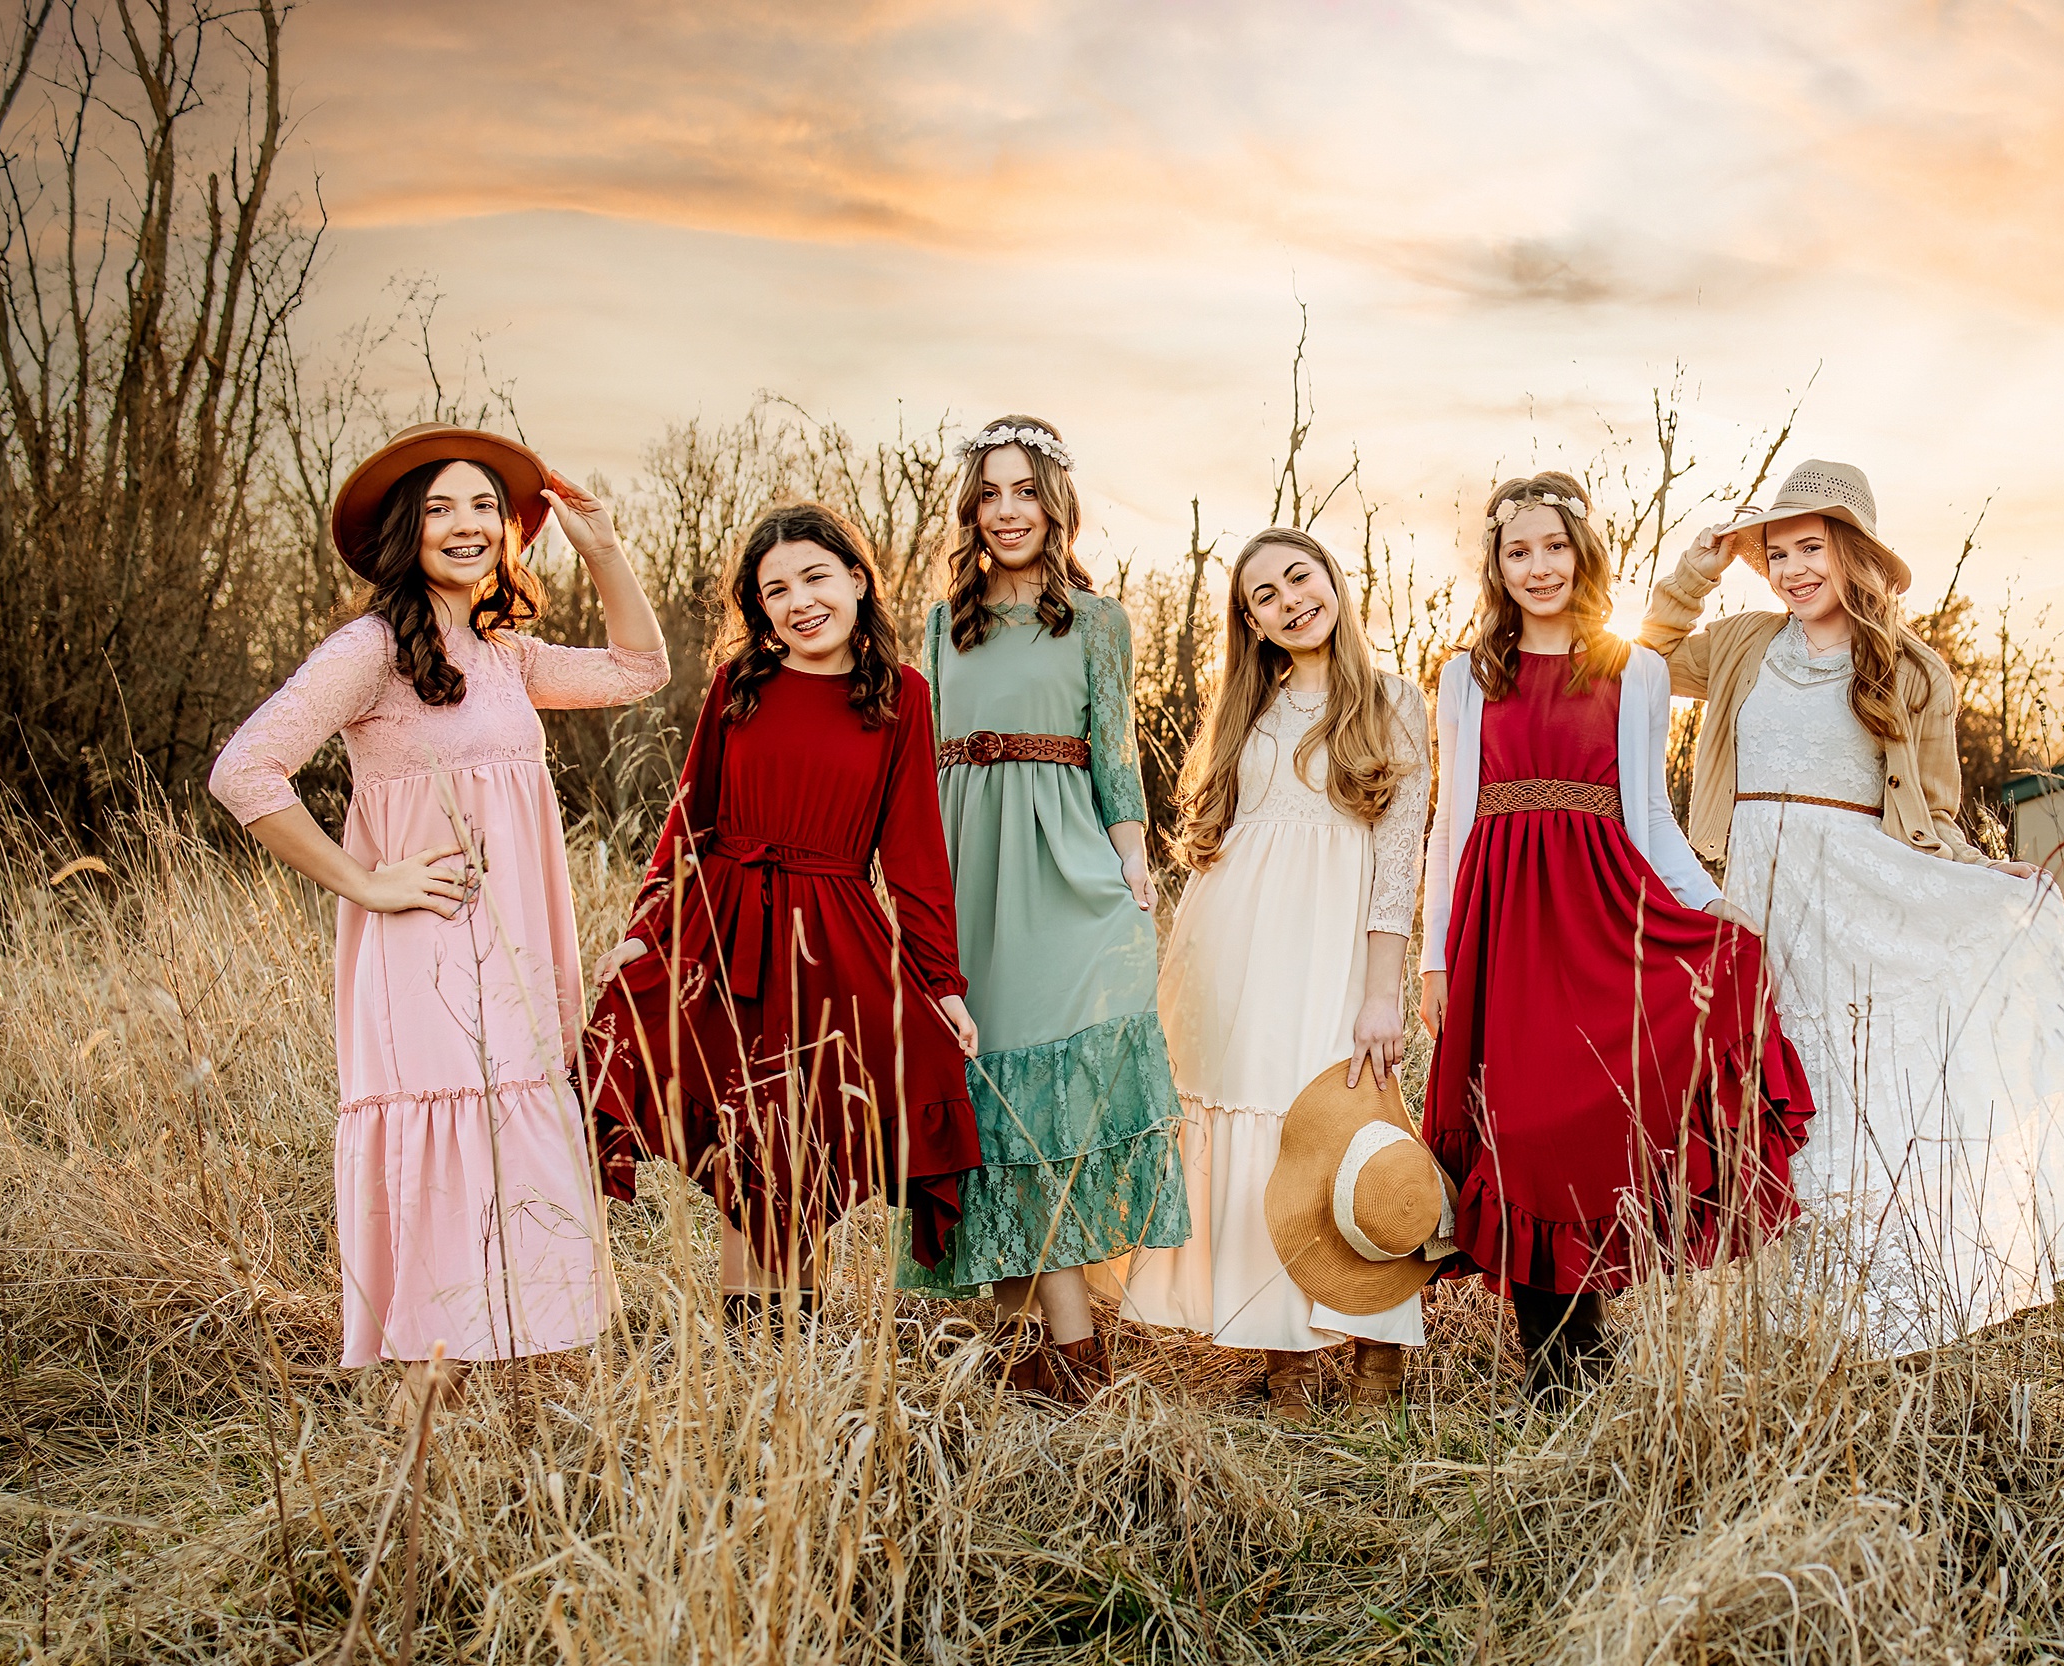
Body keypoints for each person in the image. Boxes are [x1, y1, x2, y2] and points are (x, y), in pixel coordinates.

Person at [208, 423, 669, 1411]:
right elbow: (244, 770)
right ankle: (436, 1432)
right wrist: (365, 882)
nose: (464, 524)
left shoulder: (503, 654)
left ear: (509, 530)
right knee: (458, 1167)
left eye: (483, 506)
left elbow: (640, 671)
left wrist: (600, 542)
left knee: (521, 1156)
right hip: (425, 951)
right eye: (439, 507)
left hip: (513, 949)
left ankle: (526, 1433)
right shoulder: (370, 649)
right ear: (404, 533)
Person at [1639, 459, 2064, 1356]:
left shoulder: (1913, 669)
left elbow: (1934, 813)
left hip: (1860, 890)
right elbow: (1645, 662)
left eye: (1812, 550)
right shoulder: (1747, 641)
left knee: (1853, 1081)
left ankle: (1881, 1312)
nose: (1793, 570)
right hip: (1759, 892)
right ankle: (1781, 1314)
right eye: (1778, 552)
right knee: (1772, 1077)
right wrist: (1698, 568)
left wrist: (1984, 882)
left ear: (1854, 555)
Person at [1419, 472, 1812, 1398]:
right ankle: (1551, 1361)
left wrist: (1712, 911)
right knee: (1517, 1126)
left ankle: (1585, 1347)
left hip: (1605, 912)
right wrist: (1437, 956)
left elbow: (1650, 817)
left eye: (1555, 547)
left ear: (1583, 554)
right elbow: (1451, 822)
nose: (1539, 567)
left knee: (1585, 1118)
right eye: (1519, 552)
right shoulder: (1468, 673)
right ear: (1497, 566)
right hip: (1503, 923)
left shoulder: (1633, 671)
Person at [581, 502, 981, 1322]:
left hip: (830, 938)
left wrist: (941, 983)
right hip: (722, 930)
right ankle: (742, 1332)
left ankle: (793, 1336)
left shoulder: (901, 696)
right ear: (758, 608)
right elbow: (689, 820)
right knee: (739, 1122)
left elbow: (913, 855)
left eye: (815, 577)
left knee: (808, 1126)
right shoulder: (740, 685)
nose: (799, 600)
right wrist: (641, 933)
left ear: (857, 580)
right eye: (775, 589)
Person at [892, 416, 1188, 1403]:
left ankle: (1075, 1356)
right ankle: (1021, 1334)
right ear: (970, 510)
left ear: (1054, 503)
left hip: (1063, 875)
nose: (1007, 510)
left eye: (1025, 491)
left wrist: (1133, 865)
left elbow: (1114, 754)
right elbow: (911, 764)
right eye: (989, 493)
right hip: (963, 876)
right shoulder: (941, 623)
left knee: (1047, 1106)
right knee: (988, 1104)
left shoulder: (1098, 623)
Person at [1121, 527, 1431, 1416]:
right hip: (1233, 954)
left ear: (1333, 580)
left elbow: (1398, 857)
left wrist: (1382, 989)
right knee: (1250, 1133)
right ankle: (1283, 1359)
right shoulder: (1242, 713)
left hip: (1333, 947)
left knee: (1345, 1129)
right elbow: (1216, 848)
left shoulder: (1392, 701)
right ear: (1251, 623)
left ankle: (1379, 1351)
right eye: (1266, 595)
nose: (1292, 600)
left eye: (1301, 577)